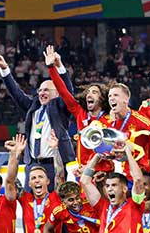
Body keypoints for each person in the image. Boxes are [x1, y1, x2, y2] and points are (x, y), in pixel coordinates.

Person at [0, 53, 75, 190]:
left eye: (46, 90)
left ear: (57, 93)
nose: (41, 93)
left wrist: (58, 66)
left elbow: (68, 91)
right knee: (30, 205)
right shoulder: (34, 106)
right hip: (32, 164)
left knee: (54, 205)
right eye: (40, 90)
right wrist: (5, 69)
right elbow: (16, 93)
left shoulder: (60, 107)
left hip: (54, 165)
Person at [45, 45, 106, 176]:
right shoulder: (80, 113)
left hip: (104, 171)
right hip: (82, 172)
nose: (89, 95)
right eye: (88, 92)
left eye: (94, 92)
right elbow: (62, 90)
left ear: (102, 98)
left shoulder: (110, 117)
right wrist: (51, 68)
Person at [100, 82, 150, 178]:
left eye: (116, 95)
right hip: (127, 174)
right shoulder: (109, 123)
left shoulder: (140, 119)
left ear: (126, 99)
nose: (111, 98)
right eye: (109, 96)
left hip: (146, 173)